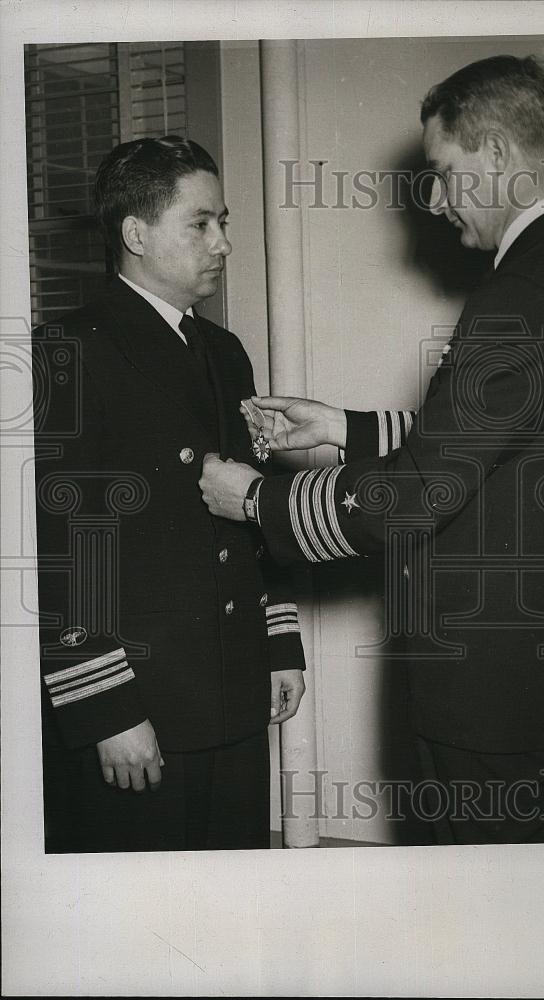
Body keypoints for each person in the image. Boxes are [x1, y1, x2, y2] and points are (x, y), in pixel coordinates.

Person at [199, 55, 544, 845]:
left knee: (481, 934)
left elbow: (421, 493)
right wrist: (340, 427)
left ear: (494, 154)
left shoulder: (519, 292)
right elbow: (512, 444)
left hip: (490, 697)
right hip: (541, 681)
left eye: (443, 172)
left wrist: (255, 501)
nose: (437, 198)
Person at [33, 136, 305, 853]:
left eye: (224, 222)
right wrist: (105, 710)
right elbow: (60, 549)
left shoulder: (223, 351)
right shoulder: (69, 351)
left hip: (229, 687)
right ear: (135, 234)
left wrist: (278, 645)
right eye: (201, 223)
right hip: (138, 705)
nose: (223, 243)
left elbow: (250, 510)